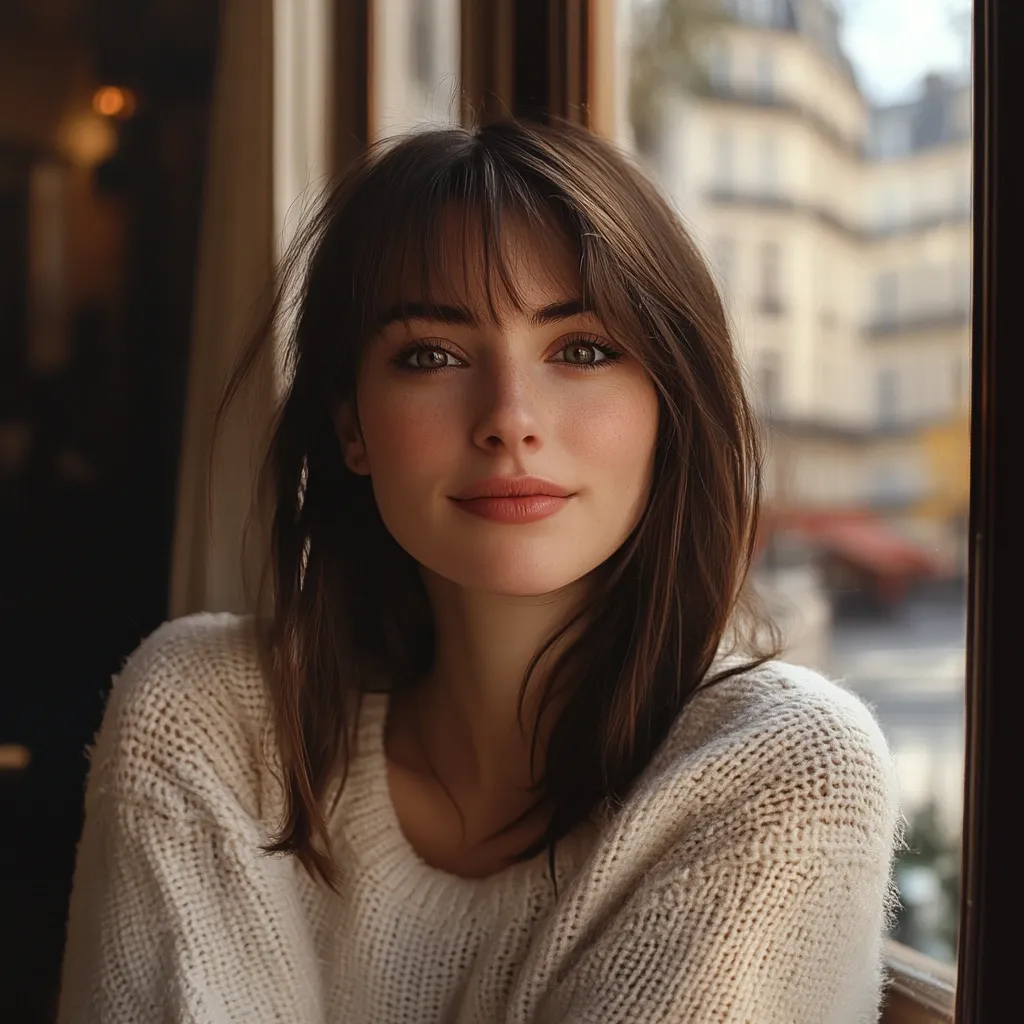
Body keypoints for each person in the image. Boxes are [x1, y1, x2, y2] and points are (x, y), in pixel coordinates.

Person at [56, 119, 901, 1023]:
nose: (510, 419)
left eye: (582, 350)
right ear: (352, 425)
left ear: (669, 407)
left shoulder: (787, 766)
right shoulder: (206, 715)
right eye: (432, 355)